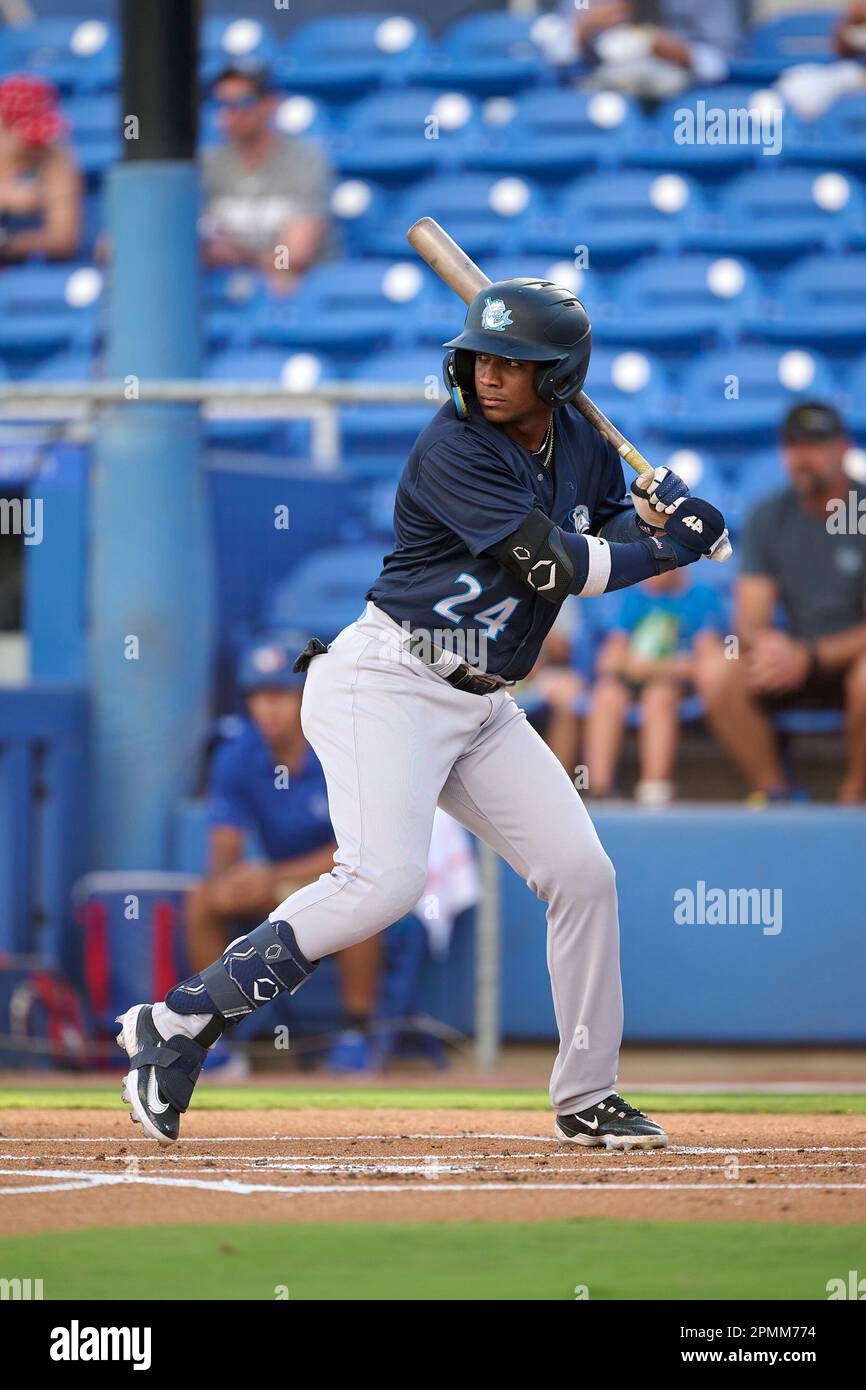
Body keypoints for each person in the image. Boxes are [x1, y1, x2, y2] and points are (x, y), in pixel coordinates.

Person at [116, 277, 727, 1148]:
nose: (490, 374)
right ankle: (181, 1018)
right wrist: (670, 549)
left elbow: (602, 516)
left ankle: (587, 1094)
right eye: (482, 355)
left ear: (557, 379)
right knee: (384, 883)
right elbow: (554, 565)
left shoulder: (584, 441)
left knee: (583, 876)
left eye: (515, 364)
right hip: (388, 680)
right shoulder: (455, 449)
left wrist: (662, 511)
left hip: (484, 701)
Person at [188, 634, 383, 1071]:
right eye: (257, 695)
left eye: (279, 694)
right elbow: (225, 840)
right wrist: (228, 881)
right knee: (203, 900)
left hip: (344, 877)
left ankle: (357, 1034)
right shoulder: (236, 754)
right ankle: (216, 1037)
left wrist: (272, 876)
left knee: (363, 901)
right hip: (282, 886)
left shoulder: (343, 747)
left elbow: (361, 849)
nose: (266, 708)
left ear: (306, 696)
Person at [695, 403, 866, 805]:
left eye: (816, 444)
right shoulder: (769, 515)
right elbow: (749, 620)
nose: (803, 456)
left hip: (849, 662)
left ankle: (855, 797)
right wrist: (770, 647)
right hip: (793, 662)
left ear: (843, 448)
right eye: (794, 445)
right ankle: (776, 794)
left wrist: (811, 655)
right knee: (717, 672)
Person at [585, 568, 726, 804]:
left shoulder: (702, 597)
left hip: (675, 683)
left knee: (658, 696)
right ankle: (600, 788)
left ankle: (654, 787)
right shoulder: (634, 596)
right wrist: (628, 665)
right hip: (633, 680)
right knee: (606, 695)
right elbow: (609, 659)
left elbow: (705, 662)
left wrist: (652, 668)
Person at [200, 62, 331, 294]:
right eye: (223, 104)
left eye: (243, 102)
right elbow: (196, 247)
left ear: (270, 104)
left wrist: (234, 254)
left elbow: (292, 257)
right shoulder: (208, 164)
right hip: (224, 290)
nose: (231, 113)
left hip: (298, 295)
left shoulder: (304, 161)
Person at [542, 0, 742, 97]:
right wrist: (584, 27)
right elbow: (554, 55)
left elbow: (729, 62)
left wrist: (684, 54)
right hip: (599, 89)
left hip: (685, 94)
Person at [0, 74, 81, 261]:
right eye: (27, 133)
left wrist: (8, 241)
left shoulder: (55, 154)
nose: (37, 145)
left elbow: (63, 240)